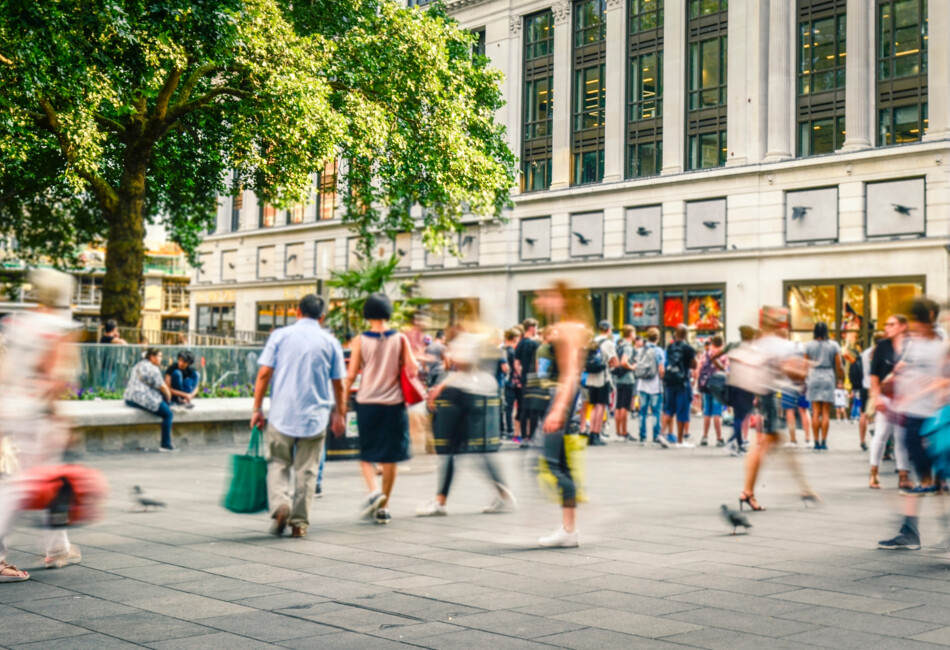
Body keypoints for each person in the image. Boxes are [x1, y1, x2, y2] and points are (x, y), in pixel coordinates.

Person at [0, 269, 82, 582]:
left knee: (39, 480)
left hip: (10, 408)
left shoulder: (18, 324)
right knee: (29, 485)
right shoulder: (59, 328)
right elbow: (54, 378)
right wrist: (59, 417)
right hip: (35, 415)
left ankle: (58, 547)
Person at [251, 295, 345, 537]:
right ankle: (299, 523)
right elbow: (339, 384)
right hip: (314, 417)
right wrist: (340, 414)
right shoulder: (330, 342)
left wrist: (257, 409)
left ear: (296, 312)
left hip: (282, 414)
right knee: (307, 470)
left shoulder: (280, 336)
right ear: (322, 317)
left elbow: (263, 375)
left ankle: (281, 503)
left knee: (278, 463)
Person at [416, 322, 516, 517]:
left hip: (464, 398)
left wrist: (441, 387)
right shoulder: (476, 340)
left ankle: (442, 501)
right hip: (473, 397)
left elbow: (463, 368)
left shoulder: (466, 341)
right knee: (467, 452)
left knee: (453, 452)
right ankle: (502, 495)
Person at [878, 298, 948, 550]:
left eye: (919, 320)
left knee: (937, 479)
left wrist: (925, 390)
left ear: (929, 317)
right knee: (918, 477)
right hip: (909, 416)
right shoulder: (909, 344)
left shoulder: (941, 346)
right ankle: (910, 531)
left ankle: (942, 530)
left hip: (933, 418)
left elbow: (946, 381)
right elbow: (898, 373)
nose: (916, 325)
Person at [344, 293, 419, 525]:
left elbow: (351, 374)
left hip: (367, 402)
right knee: (390, 457)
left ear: (367, 314)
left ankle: (374, 491)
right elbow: (413, 368)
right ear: (388, 312)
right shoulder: (400, 339)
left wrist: (341, 401)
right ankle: (384, 507)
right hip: (394, 404)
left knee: (366, 453)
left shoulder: (360, 340)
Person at [737, 307, 819, 511]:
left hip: (762, 397)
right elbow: (793, 373)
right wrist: (806, 367)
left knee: (769, 444)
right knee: (765, 445)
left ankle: (802, 487)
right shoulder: (781, 346)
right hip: (772, 397)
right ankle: (748, 491)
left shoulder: (757, 345)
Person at [533, 282, 589, 547]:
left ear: (560, 298)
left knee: (553, 463)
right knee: (559, 462)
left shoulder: (567, 329)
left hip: (562, 398)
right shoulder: (572, 326)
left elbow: (570, 373)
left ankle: (569, 529)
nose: (540, 300)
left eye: (545, 295)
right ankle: (569, 529)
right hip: (563, 399)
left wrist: (558, 408)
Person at [868, 320, 911, 490]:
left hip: (904, 397)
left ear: (902, 326)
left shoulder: (911, 346)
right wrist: (876, 397)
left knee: (901, 437)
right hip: (886, 396)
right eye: (886, 324)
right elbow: (874, 374)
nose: (887, 327)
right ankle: (873, 473)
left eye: (891, 324)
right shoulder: (883, 346)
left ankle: (903, 475)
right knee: (881, 435)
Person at [125, 348, 176, 452]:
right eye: (159, 356)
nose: (161, 359)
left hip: (130, 397)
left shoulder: (139, 364)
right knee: (168, 414)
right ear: (152, 357)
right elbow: (163, 388)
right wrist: (169, 398)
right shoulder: (153, 368)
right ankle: (165, 445)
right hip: (142, 398)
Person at [804, 322, 843, 451]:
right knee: (825, 411)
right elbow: (839, 365)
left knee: (815, 411)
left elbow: (805, 364)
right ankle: (824, 442)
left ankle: (815, 442)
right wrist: (841, 378)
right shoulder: (833, 345)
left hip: (814, 376)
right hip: (828, 376)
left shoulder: (808, 345)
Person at [726, 325, 759, 457]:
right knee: (741, 416)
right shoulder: (751, 351)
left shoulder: (735, 350)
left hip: (734, 385)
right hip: (746, 386)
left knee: (738, 416)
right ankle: (731, 442)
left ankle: (738, 444)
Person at [584, 321, 619, 447]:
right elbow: (615, 362)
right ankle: (596, 433)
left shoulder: (593, 340)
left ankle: (591, 434)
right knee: (601, 406)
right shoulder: (608, 343)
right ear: (608, 330)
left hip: (591, 377)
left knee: (593, 406)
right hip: (602, 378)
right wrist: (609, 365)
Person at [663, 324, 698, 448]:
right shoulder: (688, 348)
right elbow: (694, 365)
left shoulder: (670, 346)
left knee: (669, 408)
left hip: (669, 380)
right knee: (682, 410)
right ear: (686, 334)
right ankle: (680, 440)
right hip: (682, 381)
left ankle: (662, 434)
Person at [778, 331, 811, 448]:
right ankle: (808, 439)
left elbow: (780, 367)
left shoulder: (782, 350)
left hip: (787, 384)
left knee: (789, 411)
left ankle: (793, 440)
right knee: (804, 410)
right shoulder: (801, 347)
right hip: (803, 383)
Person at [637, 328, 666, 446]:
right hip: (655, 385)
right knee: (656, 412)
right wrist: (662, 378)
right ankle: (655, 436)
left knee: (642, 412)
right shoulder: (658, 351)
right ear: (658, 338)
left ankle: (642, 437)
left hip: (642, 384)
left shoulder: (640, 350)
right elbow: (661, 369)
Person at [514, 319, 541, 444]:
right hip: (534, 377)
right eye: (535, 327)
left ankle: (524, 436)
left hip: (525, 377)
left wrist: (521, 374)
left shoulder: (520, 343)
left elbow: (516, 363)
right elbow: (538, 363)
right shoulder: (534, 344)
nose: (536, 330)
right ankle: (532, 436)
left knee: (524, 407)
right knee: (534, 408)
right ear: (531, 327)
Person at [698, 335, 726, 447]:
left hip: (706, 384)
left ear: (712, 343)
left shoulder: (706, 354)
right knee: (717, 413)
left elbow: (700, 368)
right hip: (718, 386)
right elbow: (725, 370)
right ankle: (719, 438)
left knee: (707, 412)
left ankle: (704, 437)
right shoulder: (723, 355)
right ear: (722, 343)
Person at [614, 325, 637, 441]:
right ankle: (624, 432)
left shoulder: (620, 345)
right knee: (625, 406)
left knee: (618, 405)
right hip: (627, 378)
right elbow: (623, 362)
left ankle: (618, 432)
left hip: (619, 378)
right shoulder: (628, 347)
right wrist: (632, 367)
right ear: (631, 333)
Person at [501, 329, 519, 439]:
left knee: (506, 406)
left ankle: (503, 429)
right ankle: (510, 429)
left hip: (504, 380)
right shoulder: (512, 351)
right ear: (514, 338)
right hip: (511, 381)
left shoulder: (501, 349)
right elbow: (514, 367)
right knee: (510, 406)